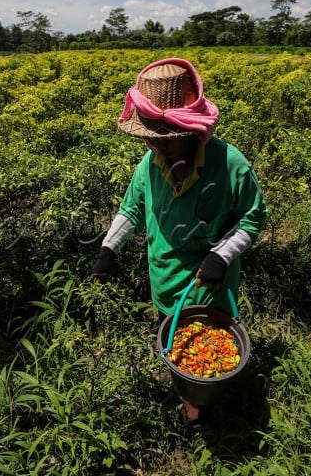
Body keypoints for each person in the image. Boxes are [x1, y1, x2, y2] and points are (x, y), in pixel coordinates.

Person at [91, 58, 267, 429]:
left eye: (161, 138)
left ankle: (199, 408)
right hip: (164, 278)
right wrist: (109, 248)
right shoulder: (148, 164)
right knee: (173, 338)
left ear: (187, 131)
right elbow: (131, 210)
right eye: (150, 136)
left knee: (207, 346)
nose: (152, 143)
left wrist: (221, 256)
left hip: (210, 285)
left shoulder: (229, 163)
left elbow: (253, 217)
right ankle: (185, 386)